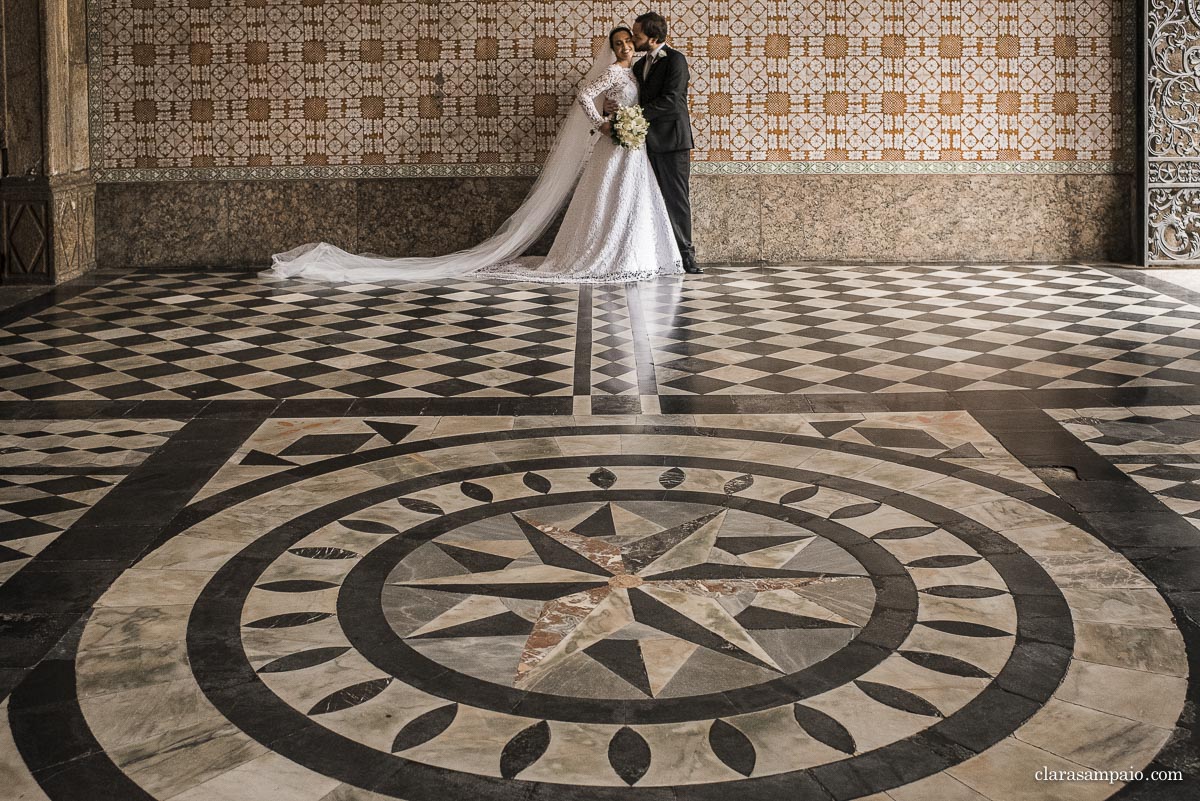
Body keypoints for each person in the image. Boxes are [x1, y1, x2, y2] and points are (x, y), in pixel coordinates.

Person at [268, 26, 683, 285]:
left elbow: (647, 100)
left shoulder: (640, 71)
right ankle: (601, 255)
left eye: (629, 41)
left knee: (633, 202)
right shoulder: (613, 72)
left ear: (639, 43)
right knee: (606, 201)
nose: (626, 47)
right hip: (614, 144)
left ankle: (636, 254)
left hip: (636, 147)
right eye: (619, 44)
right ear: (612, 50)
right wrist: (604, 124)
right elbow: (584, 97)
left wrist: (628, 122)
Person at [612, 12, 700, 274]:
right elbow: (634, 98)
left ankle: (686, 256)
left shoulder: (676, 60)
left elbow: (673, 100)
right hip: (645, 143)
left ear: (652, 38)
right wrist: (614, 106)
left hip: (673, 142)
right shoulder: (639, 67)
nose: (633, 40)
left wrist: (633, 116)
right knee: (650, 201)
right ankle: (659, 255)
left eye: (637, 36)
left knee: (676, 200)